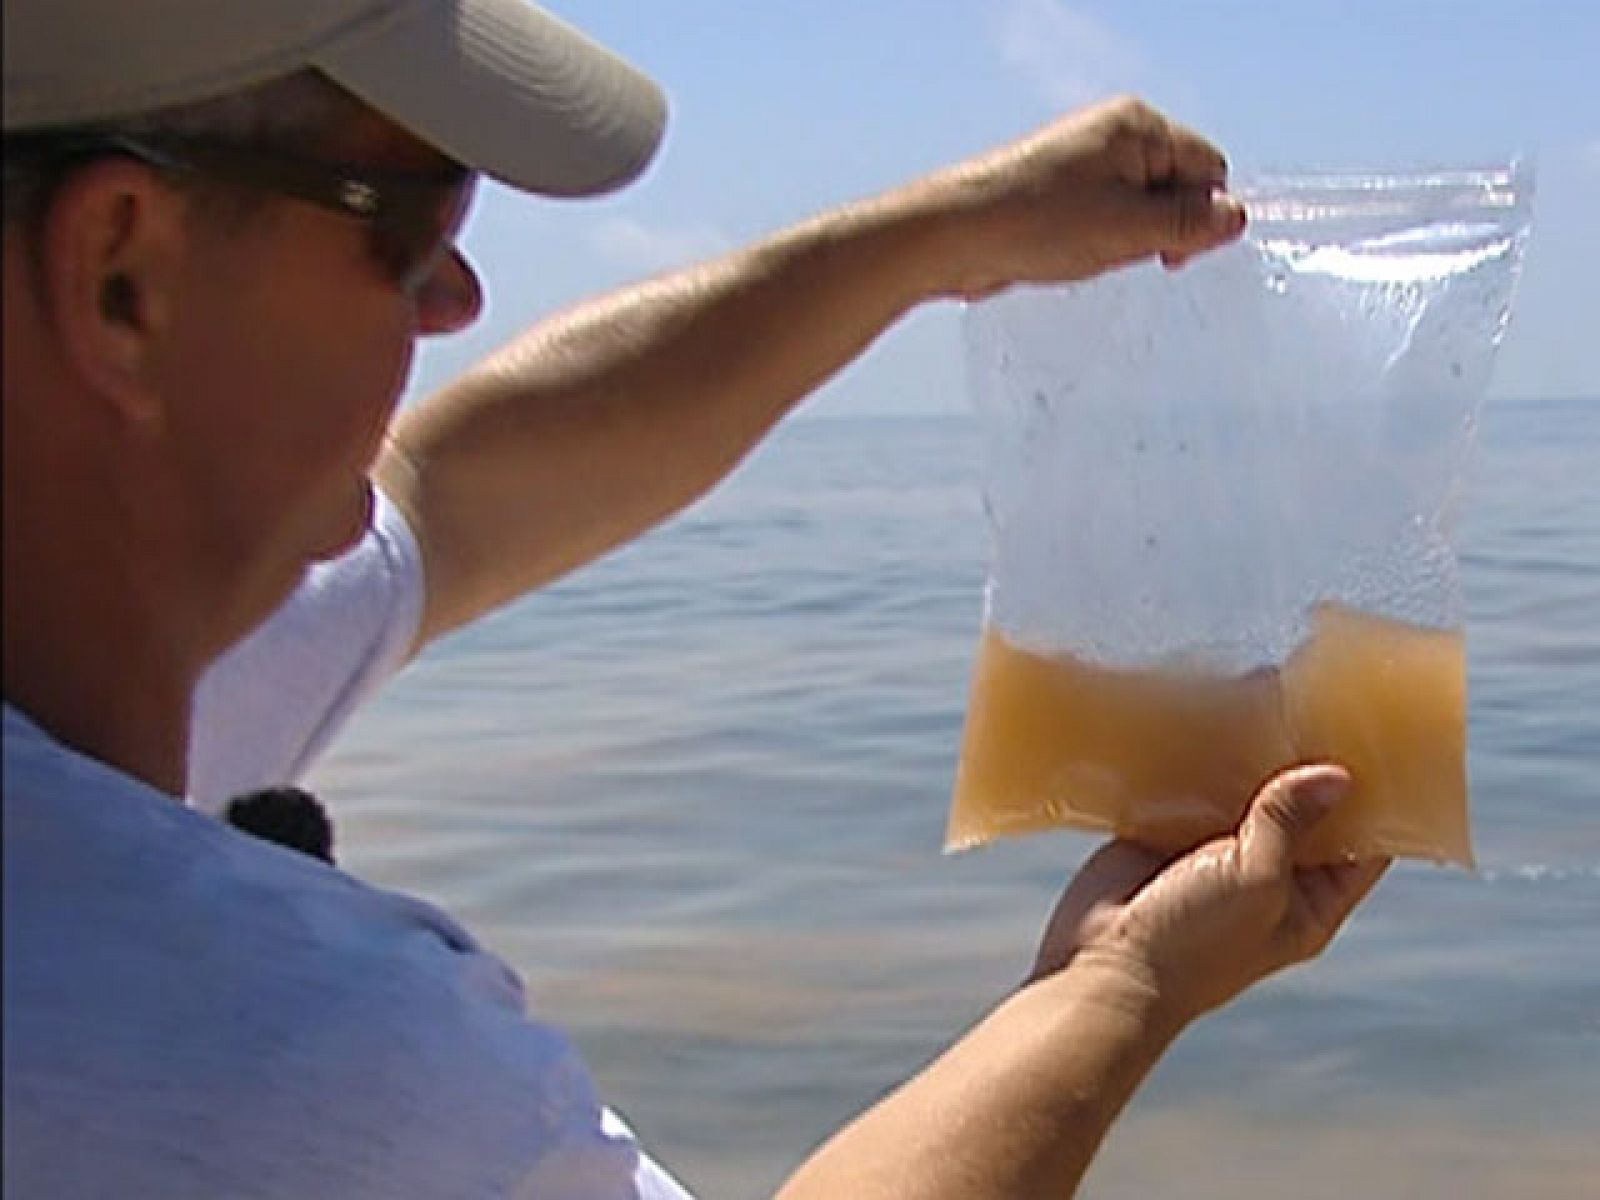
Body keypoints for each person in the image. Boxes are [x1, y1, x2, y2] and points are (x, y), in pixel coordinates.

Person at [1, 1, 1389, 1197]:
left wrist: (949, 238)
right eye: (410, 220)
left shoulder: (90, 660)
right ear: (123, 275)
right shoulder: (292, 1071)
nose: (458, 298)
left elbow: (464, 492)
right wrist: (1119, 990)